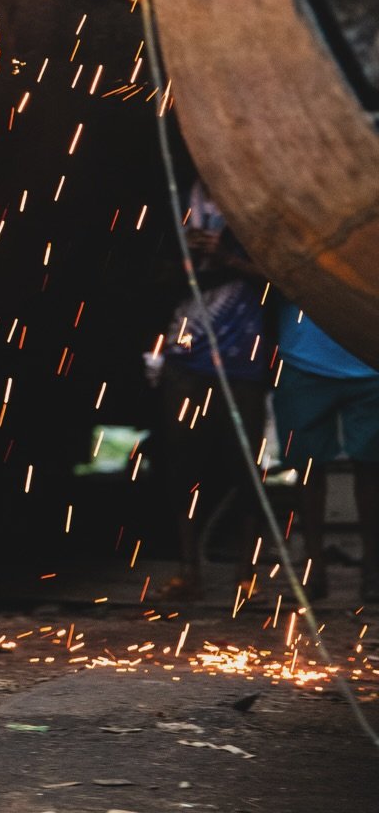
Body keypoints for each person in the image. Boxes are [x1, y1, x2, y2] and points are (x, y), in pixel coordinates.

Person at [154, 183, 269, 599]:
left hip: (244, 354)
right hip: (186, 354)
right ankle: (188, 569)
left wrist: (227, 259)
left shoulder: (254, 202)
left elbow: (281, 274)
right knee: (183, 464)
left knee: (246, 466)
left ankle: (246, 573)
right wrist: (186, 256)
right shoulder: (171, 200)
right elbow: (150, 274)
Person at [274, 303, 379, 604]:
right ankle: (315, 570)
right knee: (307, 470)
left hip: (370, 360)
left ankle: (372, 571)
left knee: (371, 468)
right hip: (304, 359)